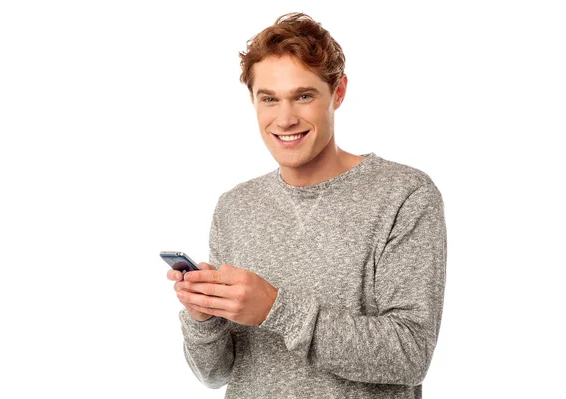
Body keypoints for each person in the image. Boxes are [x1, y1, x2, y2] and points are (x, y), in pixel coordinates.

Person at [167, 12, 447, 399]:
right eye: (269, 99)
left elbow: (409, 354)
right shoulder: (235, 207)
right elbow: (217, 374)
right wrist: (204, 319)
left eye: (303, 96)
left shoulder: (404, 195)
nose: (285, 119)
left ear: (338, 92)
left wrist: (276, 308)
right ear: (253, 101)